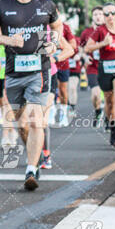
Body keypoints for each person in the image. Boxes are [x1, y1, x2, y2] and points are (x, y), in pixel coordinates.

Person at [0, 0, 62, 190]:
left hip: (39, 71)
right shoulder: (2, 7)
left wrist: (54, 43)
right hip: (14, 73)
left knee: (36, 119)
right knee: (21, 124)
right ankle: (35, 156)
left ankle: (31, 168)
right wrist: (8, 40)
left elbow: (58, 26)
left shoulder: (46, 5)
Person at [85, 2, 115, 150]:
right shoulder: (100, 31)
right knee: (110, 103)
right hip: (104, 69)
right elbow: (87, 48)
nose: (110, 16)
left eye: (112, 13)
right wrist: (103, 43)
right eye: (106, 14)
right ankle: (112, 130)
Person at [41, 30, 74, 169]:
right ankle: (34, 151)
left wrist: (56, 58)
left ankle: (45, 155)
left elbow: (69, 49)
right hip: (23, 77)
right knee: (26, 120)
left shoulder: (50, 31)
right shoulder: (17, 25)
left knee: (42, 119)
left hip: (48, 74)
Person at [80, 7, 105, 128]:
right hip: (93, 67)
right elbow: (81, 48)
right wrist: (84, 57)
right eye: (95, 14)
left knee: (110, 97)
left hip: (108, 67)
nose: (98, 16)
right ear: (92, 17)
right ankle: (98, 111)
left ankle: (109, 119)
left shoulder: (108, 31)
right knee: (95, 95)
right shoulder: (86, 32)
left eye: (100, 14)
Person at [55, 22, 76, 125]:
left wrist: (60, 45)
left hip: (63, 63)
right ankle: (52, 114)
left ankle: (63, 114)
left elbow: (73, 45)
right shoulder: (41, 24)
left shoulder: (65, 27)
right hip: (49, 64)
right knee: (51, 90)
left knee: (63, 90)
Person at [68, 36, 82, 113]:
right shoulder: (59, 37)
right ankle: (66, 106)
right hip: (63, 68)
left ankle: (72, 107)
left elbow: (82, 50)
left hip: (75, 68)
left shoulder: (76, 39)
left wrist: (79, 55)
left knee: (72, 88)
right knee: (65, 90)